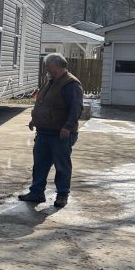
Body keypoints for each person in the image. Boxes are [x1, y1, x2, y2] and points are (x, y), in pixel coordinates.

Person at [19, 53, 83, 208]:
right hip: (44, 132)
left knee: (62, 166)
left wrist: (67, 127)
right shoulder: (51, 81)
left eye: (48, 66)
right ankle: (36, 193)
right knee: (40, 164)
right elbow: (44, 103)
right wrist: (35, 120)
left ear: (59, 66)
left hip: (60, 133)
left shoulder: (71, 84)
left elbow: (76, 109)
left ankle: (62, 195)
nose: (46, 69)